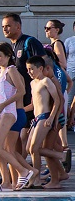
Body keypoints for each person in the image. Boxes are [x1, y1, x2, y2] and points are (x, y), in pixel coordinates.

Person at [0, 43, 35, 190]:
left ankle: (23, 171)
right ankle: (6, 182)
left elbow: (21, 91)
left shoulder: (11, 70)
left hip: (9, 112)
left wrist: (4, 105)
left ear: (8, 56)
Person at [26, 56, 64, 189]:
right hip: (36, 119)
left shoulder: (46, 81)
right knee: (28, 149)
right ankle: (60, 156)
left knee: (34, 148)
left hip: (45, 117)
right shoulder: (33, 83)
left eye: (31, 69)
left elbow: (58, 100)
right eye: (28, 70)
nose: (29, 72)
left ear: (40, 68)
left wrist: (51, 118)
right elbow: (33, 104)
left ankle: (35, 179)